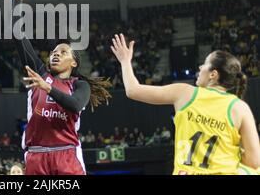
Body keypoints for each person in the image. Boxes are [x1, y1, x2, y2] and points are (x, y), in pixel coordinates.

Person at [9, 0, 111, 175]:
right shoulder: (40, 72)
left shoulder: (79, 85)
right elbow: (18, 34)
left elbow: (75, 105)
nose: (55, 54)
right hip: (36, 154)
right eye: (54, 52)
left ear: (74, 62)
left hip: (66, 154)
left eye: (63, 52)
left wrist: (46, 87)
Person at [110, 34, 260, 175]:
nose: (200, 68)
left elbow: (133, 90)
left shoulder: (184, 93)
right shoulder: (240, 108)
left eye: (205, 64)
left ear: (213, 74)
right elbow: (254, 162)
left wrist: (125, 61)